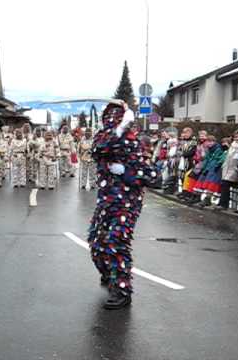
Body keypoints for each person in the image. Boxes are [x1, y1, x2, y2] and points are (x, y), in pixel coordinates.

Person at [88, 101, 160, 310]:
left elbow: (152, 176)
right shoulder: (104, 139)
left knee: (115, 242)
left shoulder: (134, 144)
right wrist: (119, 129)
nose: (112, 120)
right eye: (109, 118)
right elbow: (100, 148)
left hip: (127, 204)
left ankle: (121, 290)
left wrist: (127, 171)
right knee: (95, 243)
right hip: (105, 202)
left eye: (117, 118)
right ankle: (109, 274)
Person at [216, 129, 238, 210]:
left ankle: (224, 204)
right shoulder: (232, 145)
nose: (237, 138)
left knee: (225, 184)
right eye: (236, 137)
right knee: (224, 185)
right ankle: (222, 203)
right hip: (227, 168)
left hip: (234, 170)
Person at [193, 135, 226, 207]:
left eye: (211, 141)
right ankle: (198, 197)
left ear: (214, 142)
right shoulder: (209, 149)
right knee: (202, 182)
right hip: (209, 167)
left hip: (215, 168)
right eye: (208, 142)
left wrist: (218, 164)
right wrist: (204, 168)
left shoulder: (218, 149)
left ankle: (207, 199)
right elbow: (207, 159)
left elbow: (221, 158)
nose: (210, 143)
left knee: (211, 184)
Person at [182, 130, 208, 204]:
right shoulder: (199, 144)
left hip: (202, 165)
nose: (201, 137)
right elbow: (196, 153)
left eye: (203, 136)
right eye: (200, 136)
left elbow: (204, 155)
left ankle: (195, 196)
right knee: (189, 176)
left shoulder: (206, 144)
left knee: (196, 178)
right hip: (197, 164)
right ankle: (189, 193)